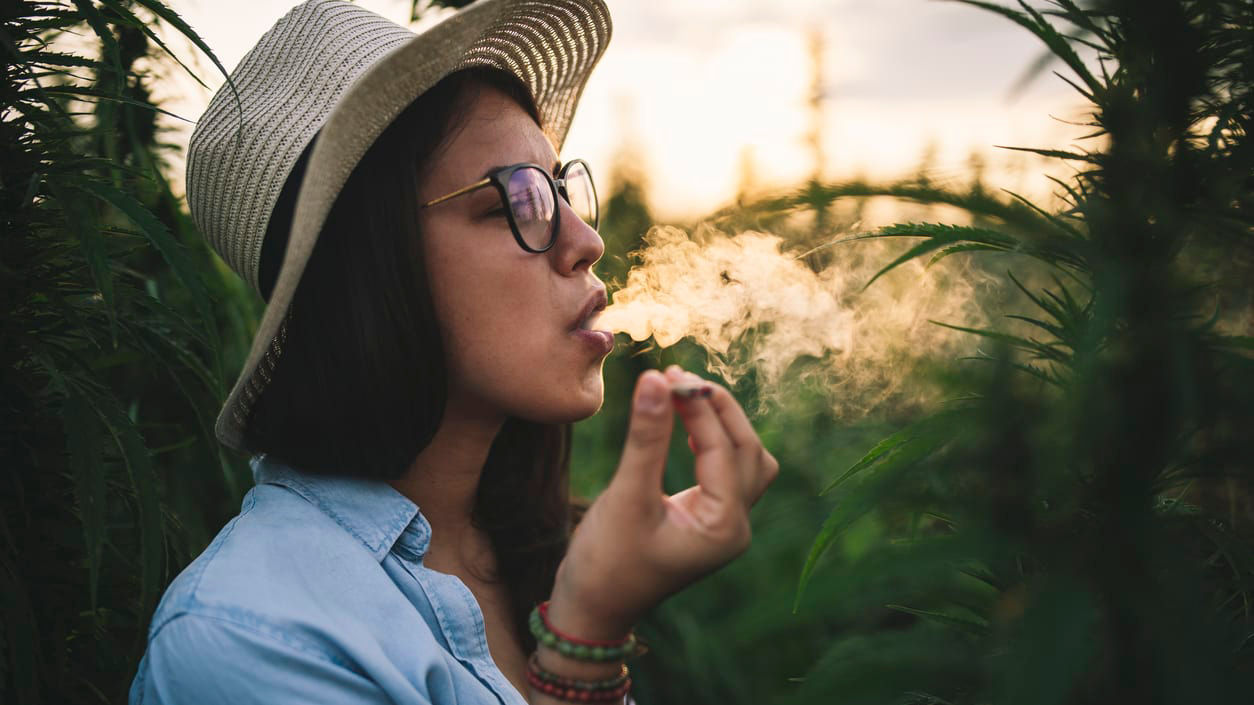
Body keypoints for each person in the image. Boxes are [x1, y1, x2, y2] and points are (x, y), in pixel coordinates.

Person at [128, 0, 778, 703]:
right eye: (516, 201)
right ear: (372, 267)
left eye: (562, 188)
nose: (587, 240)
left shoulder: (531, 548)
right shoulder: (244, 639)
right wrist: (584, 642)